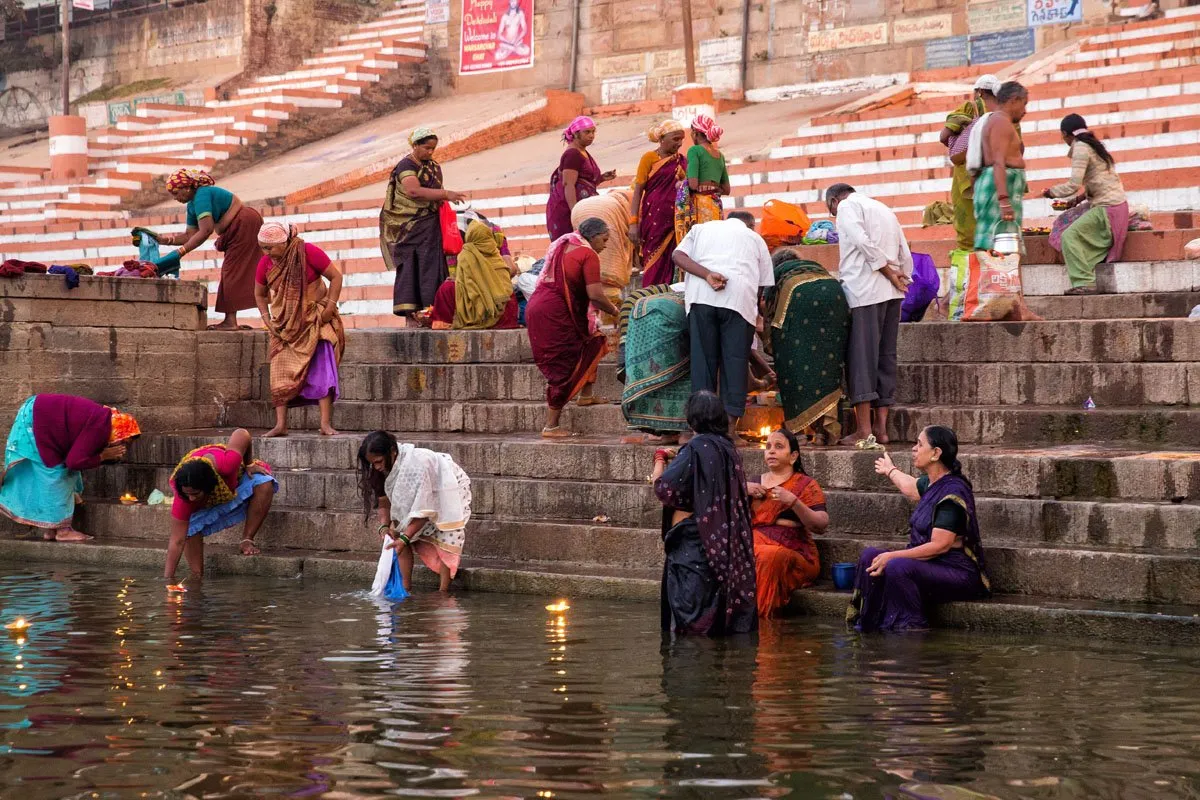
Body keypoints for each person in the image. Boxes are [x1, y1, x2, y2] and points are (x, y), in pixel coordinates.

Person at [847, 426, 990, 632]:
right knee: (870, 556)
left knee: (897, 566)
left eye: (919, 444)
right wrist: (890, 470)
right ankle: (871, 624)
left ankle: (910, 628)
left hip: (957, 572)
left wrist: (893, 555)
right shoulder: (933, 483)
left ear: (936, 453)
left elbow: (940, 546)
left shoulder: (952, 493)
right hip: (930, 566)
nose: (914, 449)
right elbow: (912, 487)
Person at [652, 390, 757, 637]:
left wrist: (659, 459)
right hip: (723, 548)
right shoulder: (729, 449)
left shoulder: (695, 448)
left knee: (691, 625)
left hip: (693, 545)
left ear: (692, 419)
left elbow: (664, 488)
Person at [672, 212, 774, 439]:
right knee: (735, 365)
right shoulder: (755, 238)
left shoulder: (701, 229)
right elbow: (762, 286)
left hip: (701, 298)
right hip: (739, 301)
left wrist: (707, 274)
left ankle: (700, 431)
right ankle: (729, 431)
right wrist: (753, 315)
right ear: (751, 224)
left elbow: (678, 255)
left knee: (703, 364)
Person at [826, 184, 912, 447]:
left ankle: (864, 431)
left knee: (862, 359)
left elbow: (863, 241)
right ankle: (881, 430)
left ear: (832, 202)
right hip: (892, 293)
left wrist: (888, 273)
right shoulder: (884, 208)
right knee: (885, 357)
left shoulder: (847, 206)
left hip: (864, 292)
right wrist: (901, 276)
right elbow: (904, 251)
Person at [526, 217, 621, 438]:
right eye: (604, 240)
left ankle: (586, 395)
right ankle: (551, 426)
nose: (605, 245)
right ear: (594, 236)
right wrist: (617, 312)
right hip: (554, 313)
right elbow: (595, 296)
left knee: (595, 340)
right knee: (563, 365)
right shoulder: (588, 254)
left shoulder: (566, 244)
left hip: (539, 307)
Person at [0, 395, 139, 542]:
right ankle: (63, 531)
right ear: (119, 433)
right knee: (57, 472)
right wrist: (103, 456)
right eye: (124, 441)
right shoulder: (101, 428)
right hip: (37, 419)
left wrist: (103, 455)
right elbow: (75, 462)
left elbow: (80, 452)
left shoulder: (105, 420)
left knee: (56, 469)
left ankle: (50, 529)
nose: (122, 445)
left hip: (39, 414)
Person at [253, 221, 346, 438]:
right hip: (284, 325)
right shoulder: (265, 264)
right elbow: (259, 294)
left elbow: (336, 277)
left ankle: (325, 424)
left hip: (316, 319)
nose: (267, 253)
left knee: (322, 370)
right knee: (280, 372)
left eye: (270, 247)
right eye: (263, 248)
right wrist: (267, 320)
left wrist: (329, 309)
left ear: (285, 243)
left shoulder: (308, 252)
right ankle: (281, 425)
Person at [359, 430, 471, 593]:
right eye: (373, 464)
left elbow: (424, 510)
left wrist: (406, 537)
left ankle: (443, 592)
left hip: (447, 485)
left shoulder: (415, 464)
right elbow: (383, 502)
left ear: (392, 451)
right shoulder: (379, 471)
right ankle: (405, 588)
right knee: (396, 534)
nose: (377, 467)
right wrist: (384, 527)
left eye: (379, 461)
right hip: (425, 494)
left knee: (446, 534)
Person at [166, 429, 277, 583]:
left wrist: (249, 463)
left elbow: (242, 434)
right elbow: (177, 540)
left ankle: (247, 539)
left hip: (236, 481)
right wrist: (168, 579)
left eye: (195, 494)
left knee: (264, 483)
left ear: (208, 487)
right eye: (188, 494)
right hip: (209, 489)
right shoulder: (183, 494)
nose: (191, 498)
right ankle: (197, 576)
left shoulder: (227, 465)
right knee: (189, 527)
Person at [379, 128, 467, 321]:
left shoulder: (433, 166)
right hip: (408, 225)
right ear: (415, 145)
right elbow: (413, 191)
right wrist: (446, 194)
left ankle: (432, 311)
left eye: (433, 149)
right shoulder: (406, 165)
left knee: (432, 266)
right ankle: (411, 311)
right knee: (410, 266)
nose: (430, 152)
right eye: (426, 148)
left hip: (431, 223)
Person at [764, 249, 850, 445]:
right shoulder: (816, 270)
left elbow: (769, 316)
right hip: (834, 294)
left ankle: (798, 433)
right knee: (827, 367)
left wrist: (772, 344)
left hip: (798, 301)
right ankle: (822, 433)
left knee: (792, 367)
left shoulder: (780, 277)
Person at [159, 169, 263, 330]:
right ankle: (234, 320)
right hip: (238, 227)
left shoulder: (202, 195)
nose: (175, 198)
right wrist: (166, 240)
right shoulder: (193, 205)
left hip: (244, 224)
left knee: (232, 271)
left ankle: (230, 321)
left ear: (187, 188)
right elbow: (190, 234)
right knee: (238, 270)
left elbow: (206, 230)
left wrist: (181, 252)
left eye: (176, 193)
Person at [1042, 113, 1129, 296]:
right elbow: (1097, 181)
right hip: (1115, 207)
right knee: (1069, 222)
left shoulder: (1081, 147)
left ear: (1065, 134)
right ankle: (1084, 274)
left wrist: (1050, 192)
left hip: (1107, 210)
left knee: (1069, 237)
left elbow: (1073, 184)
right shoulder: (1093, 145)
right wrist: (1077, 201)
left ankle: (1084, 282)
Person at [746, 428, 827, 617]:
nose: (771, 451)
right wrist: (740, 489)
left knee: (769, 556)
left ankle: (761, 620)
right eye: (768, 447)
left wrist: (794, 501)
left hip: (795, 556)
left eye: (779, 446)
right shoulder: (752, 483)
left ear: (793, 456)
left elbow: (821, 525)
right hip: (755, 547)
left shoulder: (805, 484)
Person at [619, 283, 689, 444]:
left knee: (660, 371)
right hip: (667, 315)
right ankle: (685, 432)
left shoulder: (672, 288)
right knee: (693, 366)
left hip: (636, 314)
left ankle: (664, 432)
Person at [941, 74, 1002, 251]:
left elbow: (944, 136)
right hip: (994, 175)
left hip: (967, 177)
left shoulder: (970, 107)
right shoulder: (1004, 114)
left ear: (980, 91)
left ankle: (971, 271)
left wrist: (961, 144)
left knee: (967, 233)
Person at [429, 219, 519, 329]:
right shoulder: (497, 255)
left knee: (446, 288)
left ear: (469, 236)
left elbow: (467, 281)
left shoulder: (466, 253)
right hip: (504, 318)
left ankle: (443, 322)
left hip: (477, 312)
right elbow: (511, 270)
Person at [629, 120, 688, 286]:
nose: (679, 143)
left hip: (676, 220)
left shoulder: (682, 160)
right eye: (675, 139)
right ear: (662, 139)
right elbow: (638, 190)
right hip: (653, 219)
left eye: (681, 139)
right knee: (653, 263)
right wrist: (633, 222)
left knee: (673, 262)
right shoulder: (649, 158)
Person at [971, 81, 1029, 252]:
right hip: (999, 190)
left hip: (1002, 187)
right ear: (1013, 100)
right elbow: (998, 161)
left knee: (1005, 247)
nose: (1024, 111)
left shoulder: (1000, 121)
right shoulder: (1000, 122)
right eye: (1023, 104)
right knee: (998, 247)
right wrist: (1003, 200)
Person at [545, 116, 616, 240]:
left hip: (583, 206)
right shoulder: (572, 154)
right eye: (587, 132)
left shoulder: (582, 151)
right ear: (576, 134)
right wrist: (575, 213)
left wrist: (602, 178)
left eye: (593, 132)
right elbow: (568, 184)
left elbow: (583, 181)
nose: (591, 135)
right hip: (569, 209)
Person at [572, 189, 636, 325]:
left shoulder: (568, 250)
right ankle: (607, 321)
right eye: (604, 240)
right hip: (607, 212)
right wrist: (614, 312)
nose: (605, 245)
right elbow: (635, 236)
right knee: (610, 271)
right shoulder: (637, 200)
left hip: (578, 208)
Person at [676, 115, 730, 242]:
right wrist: (712, 187)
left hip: (700, 206)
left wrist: (680, 184)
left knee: (700, 244)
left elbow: (693, 185)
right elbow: (727, 189)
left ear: (695, 133)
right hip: (715, 205)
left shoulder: (694, 150)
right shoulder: (719, 155)